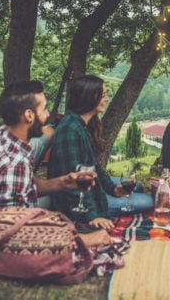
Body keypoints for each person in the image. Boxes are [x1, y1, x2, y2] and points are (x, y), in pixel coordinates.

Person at [0, 80, 110, 247]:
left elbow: (28, 184)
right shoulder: (14, 165)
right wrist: (82, 240)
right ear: (29, 115)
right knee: (61, 222)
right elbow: (11, 233)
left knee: (57, 212)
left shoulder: (3, 134)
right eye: (44, 109)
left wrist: (62, 183)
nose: (48, 115)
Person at [49, 75, 153, 230]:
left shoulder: (82, 125)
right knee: (148, 201)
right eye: (103, 95)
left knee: (136, 185)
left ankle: (110, 194)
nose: (107, 99)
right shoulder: (69, 130)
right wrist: (91, 216)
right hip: (73, 203)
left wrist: (113, 189)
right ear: (90, 97)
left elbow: (94, 166)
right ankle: (101, 206)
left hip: (90, 185)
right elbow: (73, 182)